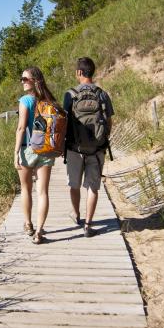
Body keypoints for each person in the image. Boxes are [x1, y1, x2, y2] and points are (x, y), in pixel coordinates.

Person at [63, 57, 114, 237]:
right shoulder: (102, 94)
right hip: (97, 148)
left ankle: (76, 214)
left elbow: (65, 121)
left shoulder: (70, 94)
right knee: (93, 187)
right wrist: (102, 138)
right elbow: (109, 121)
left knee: (74, 184)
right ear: (92, 72)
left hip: (74, 148)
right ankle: (88, 225)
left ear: (79, 72)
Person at [14, 67, 61, 244]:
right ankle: (39, 231)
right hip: (46, 149)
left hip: (27, 148)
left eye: (25, 79)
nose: (22, 81)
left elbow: (20, 128)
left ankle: (28, 224)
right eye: (22, 79)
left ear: (34, 80)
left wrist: (16, 152)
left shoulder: (25, 100)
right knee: (43, 192)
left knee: (25, 189)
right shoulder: (49, 100)